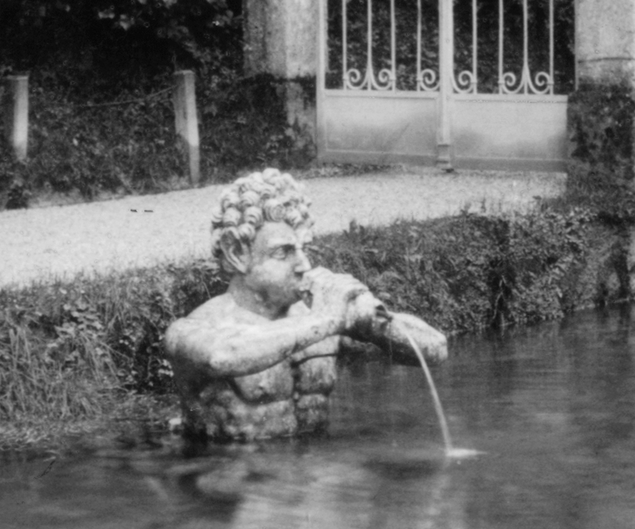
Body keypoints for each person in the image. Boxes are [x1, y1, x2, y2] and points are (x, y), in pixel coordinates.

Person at [164, 168, 448, 442]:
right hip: (235, 469)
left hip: (315, 465)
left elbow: (436, 349)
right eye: (283, 252)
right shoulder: (194, 329)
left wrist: (372, 319)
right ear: (237, 253)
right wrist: (326, 319)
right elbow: (222, 357)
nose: (304, 265)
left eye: (304, 249)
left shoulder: (319, 318)